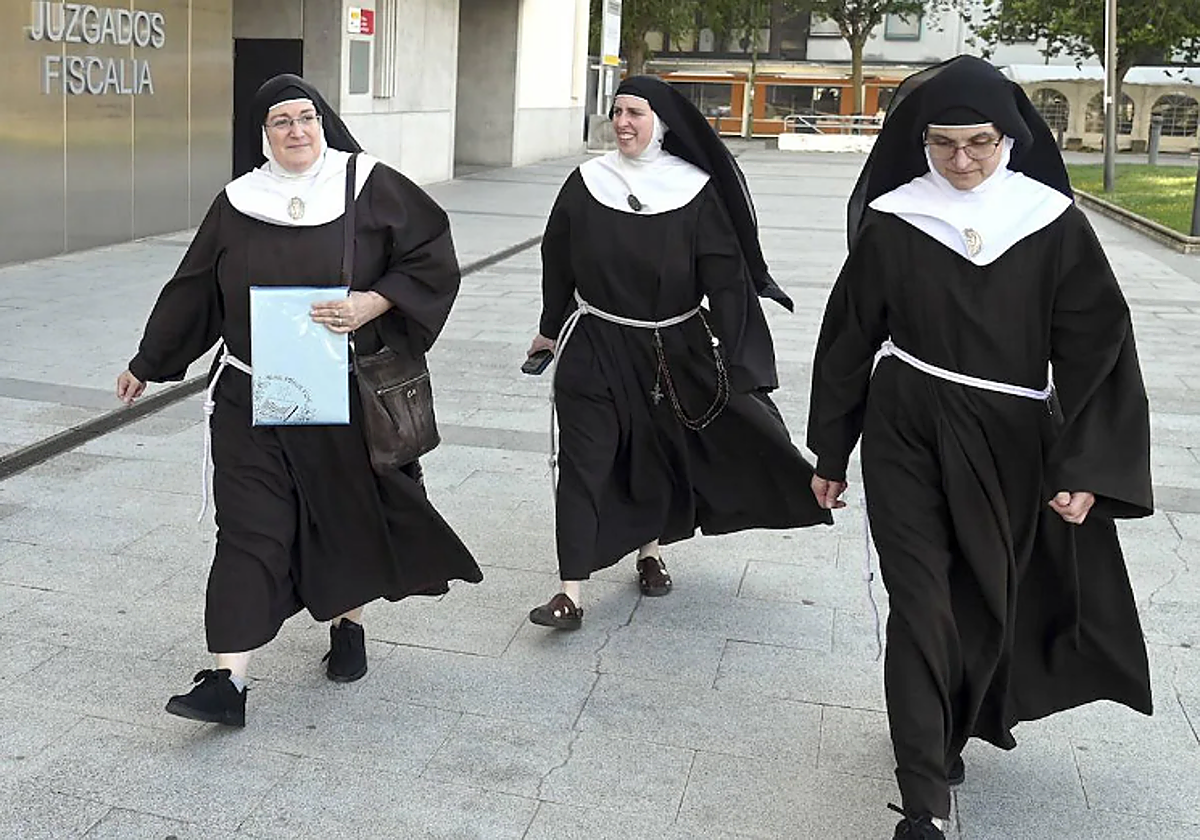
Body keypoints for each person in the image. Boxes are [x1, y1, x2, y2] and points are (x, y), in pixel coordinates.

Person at [807, 56, 1153, 839]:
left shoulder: (1051, 222)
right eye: (942, 145)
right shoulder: (897, 219)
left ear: (1012, 139)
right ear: (918, 141)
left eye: (980, 144)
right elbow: (848, 338)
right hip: (906, 428)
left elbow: (1100, 347)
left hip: (1012, 437)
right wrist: (831, 452)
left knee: (982, 597)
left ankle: (951, 725)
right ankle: (922, 797)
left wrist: (1085, 464)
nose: (960, 162)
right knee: (920, 600)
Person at [115, 74, 482, 727]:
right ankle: (228, 680)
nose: (296, 131)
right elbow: (196, 289)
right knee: (249, 531)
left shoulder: (366, 184)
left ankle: (348, 624)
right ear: (263, 133)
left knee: (346, 515)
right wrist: (150, 361)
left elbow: (430, 255)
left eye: (306, 117)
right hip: (252, 390)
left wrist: (373, 301)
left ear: (324, 121)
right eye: (281, 121)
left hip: (337, 388)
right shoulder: (238, 201)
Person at [526, 76, 831, 629]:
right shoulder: (586, 181)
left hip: (673, 347)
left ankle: (650, 551)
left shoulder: (694, 189)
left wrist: (742, 361)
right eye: (616, 111)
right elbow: (557, 261)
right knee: (583, 462)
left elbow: (727, 281)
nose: (622, 122)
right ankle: (569, 591)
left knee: (655, 452)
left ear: (660, 123)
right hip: (595, 342)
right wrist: (550, 329)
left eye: (635, 113)